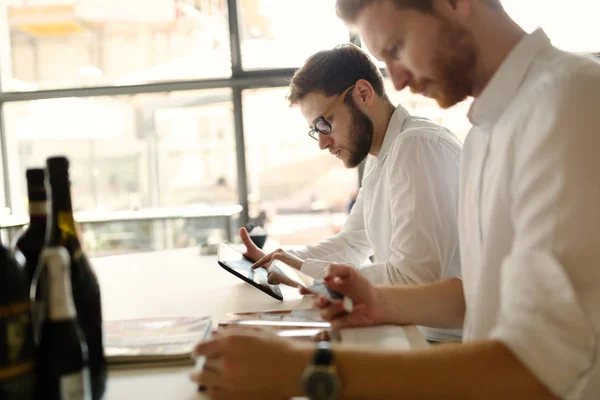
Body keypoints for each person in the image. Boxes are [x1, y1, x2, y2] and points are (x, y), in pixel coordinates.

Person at [191, 0, 600, 398]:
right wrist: (378, 301)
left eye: (396, 47)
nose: (400, 81)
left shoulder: (570, 98)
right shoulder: (484, 133)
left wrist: (307, 370)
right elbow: (475, 300)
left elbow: (539, 367)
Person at [240, 43, 463, 342]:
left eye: (325, 123)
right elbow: (353, 242)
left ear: (363, 94)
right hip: (415, 332)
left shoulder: (416, 147)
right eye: (315, 130)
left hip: (445, 342)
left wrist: (308, 273)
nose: (322, 142)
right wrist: (281, 259)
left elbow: (414, 280)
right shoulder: (382, 153)